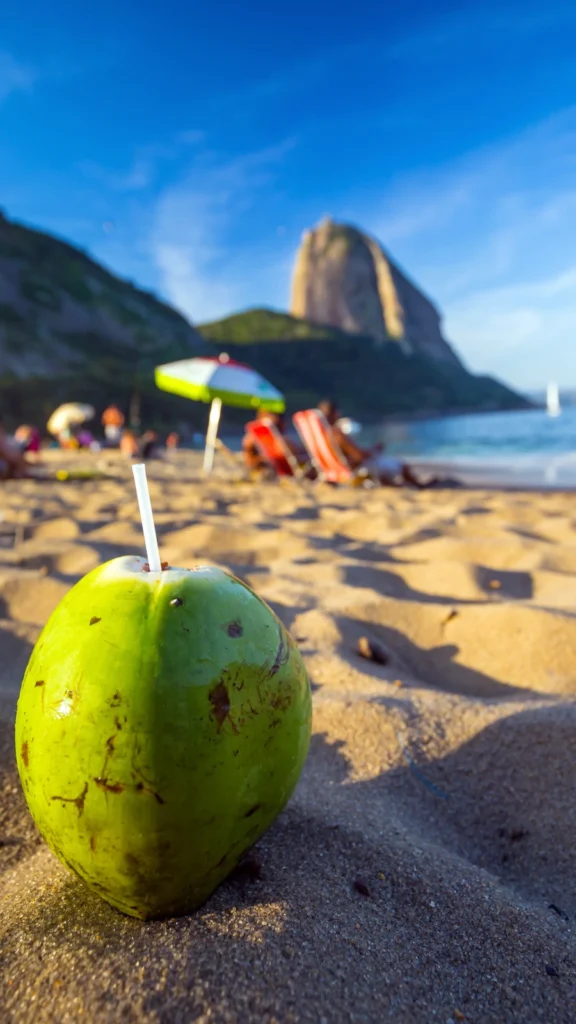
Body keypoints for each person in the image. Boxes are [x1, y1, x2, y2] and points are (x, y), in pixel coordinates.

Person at [318, 400, 436, 488]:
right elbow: (359, 457)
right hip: (355, 469)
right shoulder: (337, 434)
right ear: (336, 414)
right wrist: (373, 451)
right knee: (401, 466)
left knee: (385, 464)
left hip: (337, 469)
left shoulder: (321, 436)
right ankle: (420, 486)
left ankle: (393, 484)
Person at [242, 409, 306, 474]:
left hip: (274, 468)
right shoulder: (283, 443)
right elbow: (299, 455)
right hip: (295, 470)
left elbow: (247, 447)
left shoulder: (255, 438)